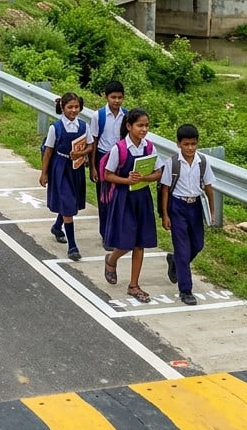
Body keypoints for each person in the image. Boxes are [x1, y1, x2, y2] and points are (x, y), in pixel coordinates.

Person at [101, 109, 163, 304]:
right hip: (123, 198)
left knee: (140, 242)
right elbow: (108, 174)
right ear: (129, 126)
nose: (144, 129)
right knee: (126, 241)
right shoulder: (118, 149)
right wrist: (126, 181)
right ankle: (112, 259)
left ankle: (134, 285)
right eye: (140, 125)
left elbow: (158, 172)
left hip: (142, 198)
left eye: (146, 125)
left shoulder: (149, 148)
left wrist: (144, 177)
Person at [158, 123, 217, 306]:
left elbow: (208, 188)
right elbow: (165, 190)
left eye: (193, 144)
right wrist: (165, 215)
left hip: (195, 206)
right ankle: (186, 290)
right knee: (183, 248)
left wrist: (212, 212)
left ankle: (175, 261)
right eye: (186, 144)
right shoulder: (172, 163)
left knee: (198, 244)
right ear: (178, 144)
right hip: (177, 206)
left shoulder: (203, 162)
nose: (190, 148)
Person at [39, 93, 92, 262]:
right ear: (62, 108)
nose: (73, 110)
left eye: (76, 107)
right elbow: (48, 151)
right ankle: (72, 246)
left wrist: (81, 153)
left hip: (75, 168)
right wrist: (44, 173)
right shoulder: (56, 127)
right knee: (68, 203)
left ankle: (57, 227)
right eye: (70, 107)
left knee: (71, 200)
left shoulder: (84, 126)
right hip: (60, 167)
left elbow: (90, 145)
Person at [89, 80, 127, 250]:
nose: (116, 101)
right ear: (106, 97)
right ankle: (105, 234)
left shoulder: (126, 116)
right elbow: (94, 141)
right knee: (104, 198)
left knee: (118, 198)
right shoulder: (98, 116)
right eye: (113, 97)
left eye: (119, 97)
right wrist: (93, 166)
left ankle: (117, 233)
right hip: (103, 158)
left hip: (120, 159)